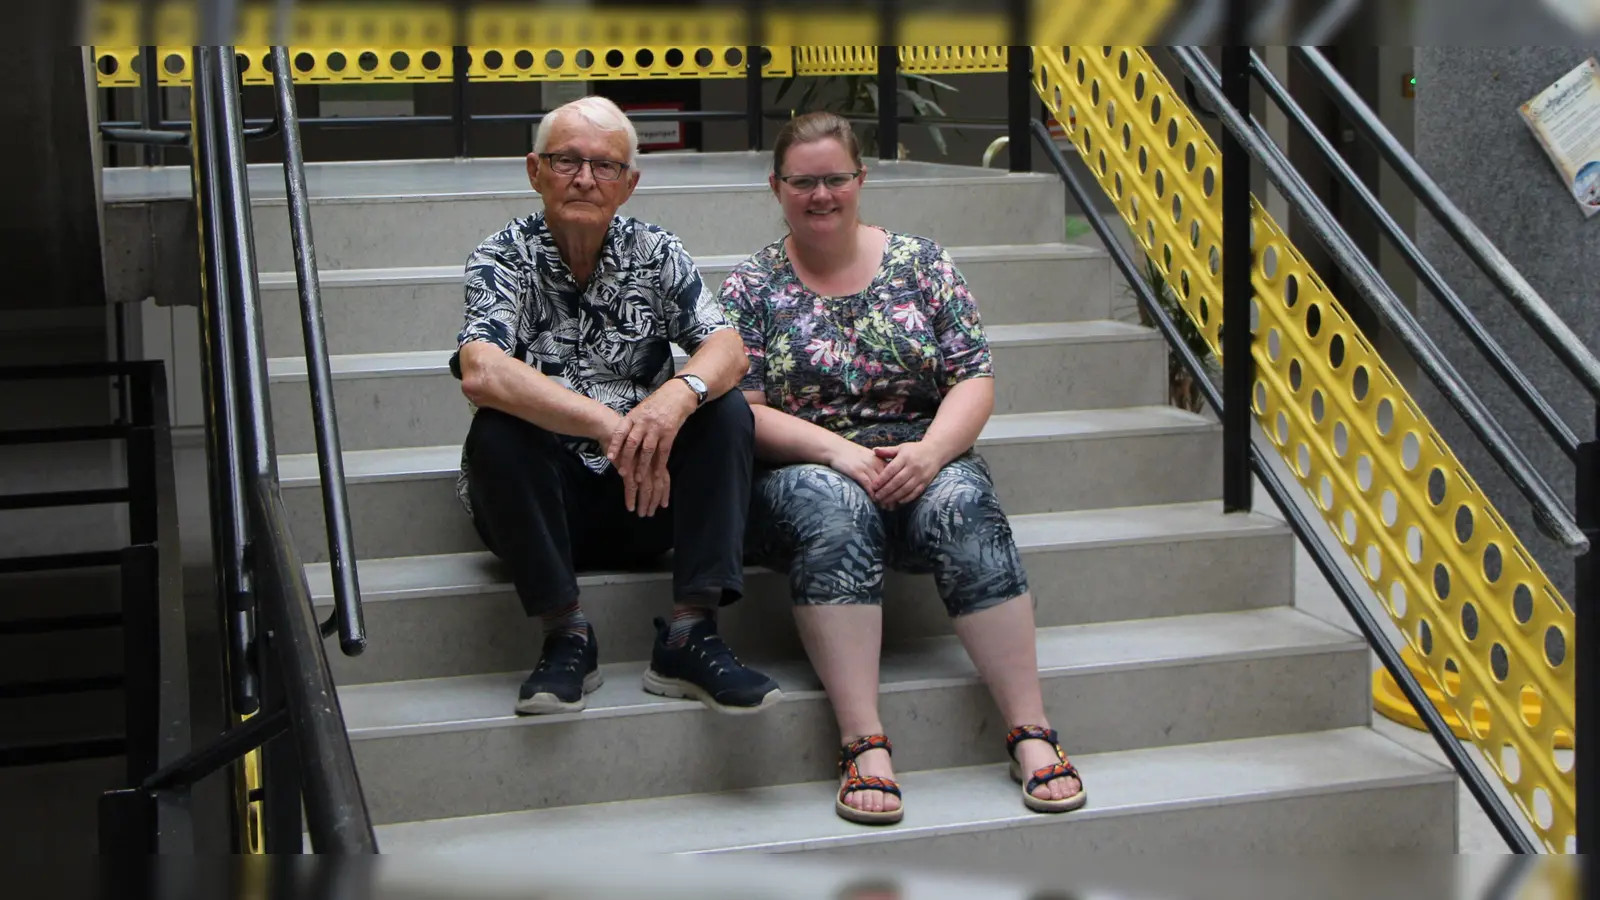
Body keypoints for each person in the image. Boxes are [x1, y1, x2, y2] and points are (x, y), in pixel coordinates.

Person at [720, 112, 1086, 825]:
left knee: (962, 503)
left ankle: (1031, 732)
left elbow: (973, 380)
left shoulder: (924, 264)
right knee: (835, 504)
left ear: (860, 179)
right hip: (804, 469)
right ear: (777, 187)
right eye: (803, 181)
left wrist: (931, 452)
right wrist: (838, 451)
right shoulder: (751, 285)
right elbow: (744, 410)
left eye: (835, 178)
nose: (820, 195)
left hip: (920, 458)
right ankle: (863, 743)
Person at [453, 96, 781, 717]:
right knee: (498, 428)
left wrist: (675, 400)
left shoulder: (656, 252)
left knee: (725, 408)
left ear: (629, 184)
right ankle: (566, 633)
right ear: (533, 171)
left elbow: (728, 349)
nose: (584, 179)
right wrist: (611, 424)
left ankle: (691, 634)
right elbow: (481, 370)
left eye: (604, 166)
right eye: (566, 161)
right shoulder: (502, 256)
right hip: (542, 507)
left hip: (645, 497)